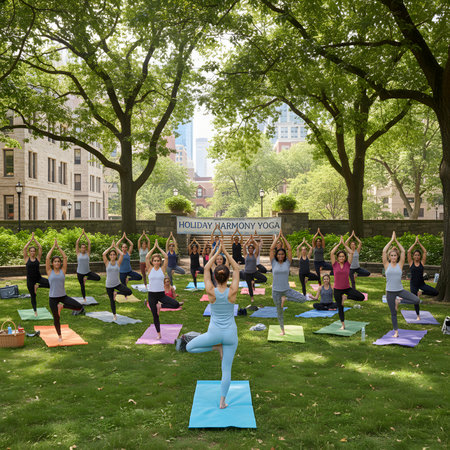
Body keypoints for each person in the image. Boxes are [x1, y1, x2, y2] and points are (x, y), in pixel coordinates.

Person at [186, 242, 240, 409]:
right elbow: (237, 269)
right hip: (230, 335)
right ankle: (222, 402)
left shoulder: (211, 291)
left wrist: (216, 253)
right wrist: (225, 253)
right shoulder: (232, 292)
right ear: (228, 277)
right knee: (226, 370)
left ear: (215, 277)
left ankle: (216, 348)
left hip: (214, 334)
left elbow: (206, 268)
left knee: (189, 347)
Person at [383, 231, 421, 337]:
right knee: (393, 313)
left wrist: (396, 240)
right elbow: (384, 250)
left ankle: (399, 301)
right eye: (392, 255)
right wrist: (391, 240)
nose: (394, 257)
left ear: (397, 256)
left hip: (400, 290)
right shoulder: (387, 264)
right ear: (389, 257)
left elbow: (403, 251)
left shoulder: (400, 264)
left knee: (416, 300)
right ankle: (396, 332)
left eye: (395, 255)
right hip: (390, 292)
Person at [270, 232, 308, 335]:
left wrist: (283, 238)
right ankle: (282, 331)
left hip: (286, 290)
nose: (281, 255)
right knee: (279, 312)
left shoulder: (287, 262)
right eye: (279, 254)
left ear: (284, 255)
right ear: (276, 255)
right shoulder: (273, 262)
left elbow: (290, 249)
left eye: (282, 254)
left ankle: (285, 299)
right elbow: (271, 249)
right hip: (276, 291)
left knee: (303, 299)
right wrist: (277, 237)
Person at [46, 240, 84, 341]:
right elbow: (47, 258)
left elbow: (65, 257)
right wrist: (53, 247)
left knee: (79, 307)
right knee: (56, 318)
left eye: (58, 261)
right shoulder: (49, 271)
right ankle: (59, 336)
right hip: (53, 298)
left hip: (63, 296)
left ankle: (62, 306)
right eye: (55, 261)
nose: (57, 263)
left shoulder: (63, 271)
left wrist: (58, 248)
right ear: (52, 263)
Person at [330, 236, 366, 329]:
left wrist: (345, 245)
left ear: (345, 257)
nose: (341, 257)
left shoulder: (347, 264)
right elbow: (332, 252)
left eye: (343, 256)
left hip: (347, 288)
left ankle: (346, 297)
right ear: (337, 258)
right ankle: (343, 325)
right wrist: (338, 244)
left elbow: (351, 252)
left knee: (361, 297)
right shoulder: (335, 264)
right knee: (340, 307)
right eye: (340, 256)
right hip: (337, 289)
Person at [103, 241, 133, 320]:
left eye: (114, 254)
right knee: (112, 301)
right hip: (109, 285)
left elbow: (122, 254)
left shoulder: (118, 263)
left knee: (129, 292)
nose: (112, 256)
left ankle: (116, 293)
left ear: (116, 256)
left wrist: (115, 247)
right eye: (111, 254)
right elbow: (103, 254)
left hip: (117, 284)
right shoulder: (107, 263)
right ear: (109, 256)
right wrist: (110, 247)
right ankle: (114, 315)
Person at [145, 240, 169, 340]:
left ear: (160, 261)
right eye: (154, 260)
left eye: (158, 260)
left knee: (176, 304)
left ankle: (161, 305)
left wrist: (159, 248)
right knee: (155, 315)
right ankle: (159, 334)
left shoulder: (162, 269)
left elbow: (166, 257)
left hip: (161, 294)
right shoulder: (150, 268)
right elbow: (147, 257)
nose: (156, 262)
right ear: (152, 261)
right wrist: (153, 248)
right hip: (151, 295)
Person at [23, 232, 49, 316]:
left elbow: (40, 247)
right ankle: (35, 311)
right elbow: (24, 248)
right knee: (33, 296)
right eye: (31, 251)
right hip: (30, 281)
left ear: (35, 252)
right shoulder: (27, 259)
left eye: (34, 251)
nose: (33, 252)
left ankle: (38, 286)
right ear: (29, 252)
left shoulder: (38, 258)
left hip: (38, 278)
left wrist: (35, 239)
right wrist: (31, 240)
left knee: (51, 283)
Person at [76, 229, 101, 302]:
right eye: (82, 247)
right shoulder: (78, 253)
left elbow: (89, 243)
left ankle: (86, 279)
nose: (83, 248)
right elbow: (77, 243)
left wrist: (85, 234)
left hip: (87, 272)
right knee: (82, 286)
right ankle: (84, 298)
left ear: (86, 248)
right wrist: (81, 235)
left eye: (84, 247)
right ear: (80, 248)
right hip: (79, 272)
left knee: (98, 278)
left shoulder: (88, 253)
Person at [117, 232, 142, 298]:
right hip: (122, 272)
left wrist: (126, 238)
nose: (124, 248)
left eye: (125, 247)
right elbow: (116, 245)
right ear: (121, 248)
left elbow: (131, 244)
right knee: (124, 287)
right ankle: (122, 295)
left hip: (129, 271)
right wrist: (122, 238)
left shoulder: (128, 253)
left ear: (127, 248)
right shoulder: (119, 253)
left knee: (139, 277)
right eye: (123, 247)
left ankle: (128, 279)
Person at [243, 235, 260, 303]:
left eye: (251, 248)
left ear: (253, 250)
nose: (250, 249)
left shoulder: (255, 255)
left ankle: (254, 282)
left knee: (264, 279)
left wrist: (253, 240)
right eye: (249, 248)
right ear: (248, 249)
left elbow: (257, 246)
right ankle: (252, 297)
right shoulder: (245, 255)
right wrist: (249, 239)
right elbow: (244, 246)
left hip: (254, 272)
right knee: (249, 286)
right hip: (247, 273)